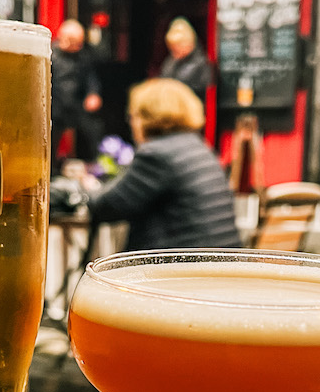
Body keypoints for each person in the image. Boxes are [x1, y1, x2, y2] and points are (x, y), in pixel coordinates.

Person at [84, 77, 241, 252]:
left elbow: (106, 206)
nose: (131, 123)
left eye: (133, 115)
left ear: (145, 117)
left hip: (181, 269)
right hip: (218, 262)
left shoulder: (157, 154)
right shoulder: (198, 146)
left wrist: (88, 186)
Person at [50, 19, 102, 171]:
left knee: (93, 128)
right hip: (56, 106)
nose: (76, 46)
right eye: (73, 42)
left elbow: (91, 78)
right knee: (50, 140)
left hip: (77, 104)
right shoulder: (51, 54)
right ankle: (52, 172)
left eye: (78, 43)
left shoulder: (83, 56)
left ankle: (97, 165)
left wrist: (93, 94)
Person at [159, 18, 213, 99]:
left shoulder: (203, 63)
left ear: (189, 43)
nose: (174, 50)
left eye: (177, 46)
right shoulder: (169, 62)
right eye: (171, 46)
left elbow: (204, 91)